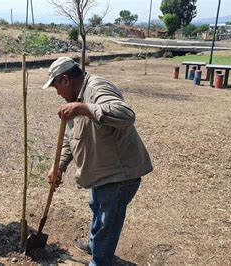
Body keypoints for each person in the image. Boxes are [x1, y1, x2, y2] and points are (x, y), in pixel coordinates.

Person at [43, 57, 153, 265]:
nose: (57, 92)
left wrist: (83, 108)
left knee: (107, 224)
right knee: (98, 208)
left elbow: (125, 115)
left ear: (65, 79)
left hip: (120, 174)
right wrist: (59, 166)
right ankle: (95, 246)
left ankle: (100, 260)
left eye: (56, 86)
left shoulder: (97, 87)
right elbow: (71, 138)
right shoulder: (75, 100)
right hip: (103, 173)